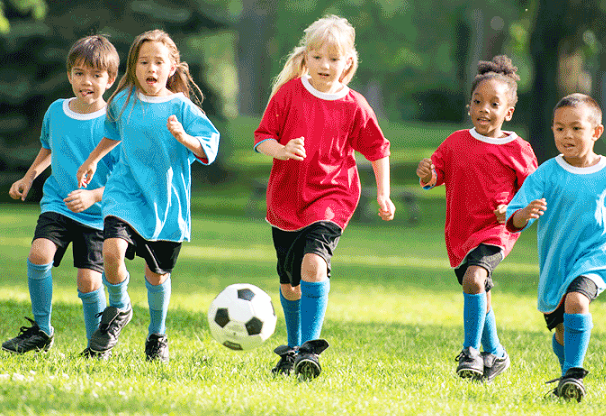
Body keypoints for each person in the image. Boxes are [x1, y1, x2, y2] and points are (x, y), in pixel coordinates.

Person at [254, 15, 395, 380]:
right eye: (317, 57)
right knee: (290, 282)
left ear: (348, 62)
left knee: (313, 265)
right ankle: (294, 347)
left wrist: (384, 193)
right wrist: (281, 150)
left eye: (334, 59)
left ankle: (308, 350)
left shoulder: (354, 105)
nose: (325, 66)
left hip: (334, 196)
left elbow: (378, 150)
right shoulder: (288, 95)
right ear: (306, 58)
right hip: (286, 200)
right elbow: (261, 139)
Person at [76, 29, 219, 363]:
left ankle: (157, 334)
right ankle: (120, 306)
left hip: (165, 204)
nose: (150, 68)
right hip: (124, 192)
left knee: (157, 276)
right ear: (134, 66)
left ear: (171, 67)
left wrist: (186, 138)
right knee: (111, 250)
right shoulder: (122, 102)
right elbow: (113, 134)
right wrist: (92, 160)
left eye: (158, 62)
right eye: (143, 62)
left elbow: (209, 146)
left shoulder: (181, 107)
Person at [505, 93, 606, 402]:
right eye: (559, 129)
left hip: (602, 254)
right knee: (560, 327)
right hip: (559, 259)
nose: (567, 135)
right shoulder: (546, 173)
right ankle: (567, 381)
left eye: (576, 128)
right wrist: (524, 213)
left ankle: (574, 373)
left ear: (596, 132)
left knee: (577, 299)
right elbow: (514, 218)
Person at [416, 55, 538, 382]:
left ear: (508, 112)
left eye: (494, 104)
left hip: (497, 230)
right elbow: (434, 175)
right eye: (477, 101)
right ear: (469, 106)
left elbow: (535, 191)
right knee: (477, 288)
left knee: (474, 279)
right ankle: (495, 352)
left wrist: (514, 211)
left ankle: (470, 352)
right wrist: (426, 174)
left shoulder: (518, 148)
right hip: (460, 232)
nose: (484, 108)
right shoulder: (456, 142)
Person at [2, 35, 119, 358]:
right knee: (39, 254)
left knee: (88, 282)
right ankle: (41, 330)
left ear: (109, 80)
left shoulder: (114, 122)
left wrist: (94, 195)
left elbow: (123, 181)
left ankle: (97, 346)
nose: (87, 82)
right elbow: (49, 147)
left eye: (96, 75)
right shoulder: (56, 111)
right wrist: (29, 176)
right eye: (79, 73)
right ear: (69, 75)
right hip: (58, 203)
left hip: (97, 215)